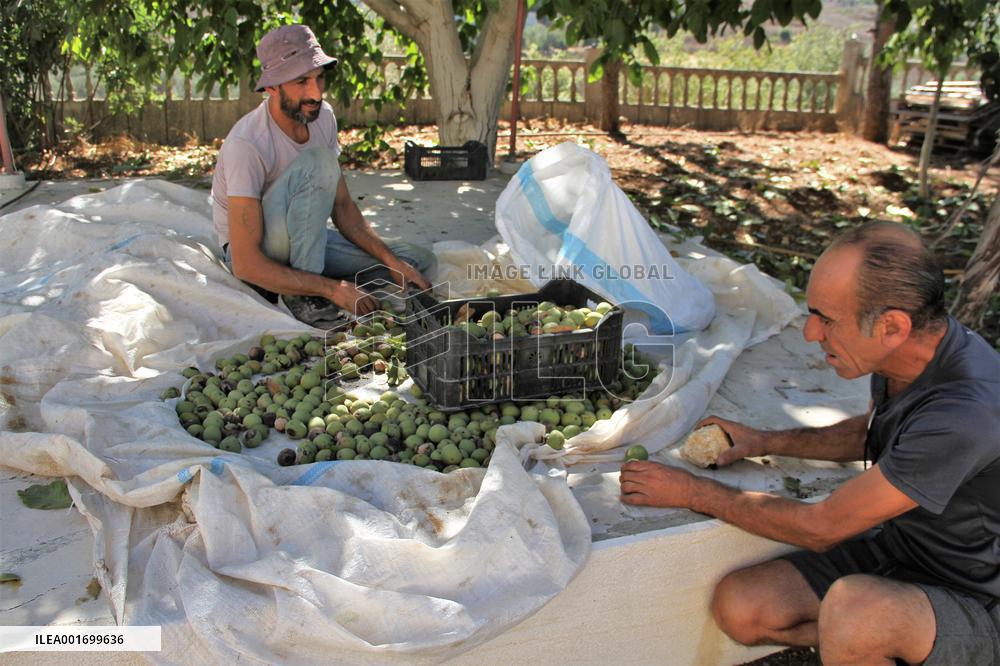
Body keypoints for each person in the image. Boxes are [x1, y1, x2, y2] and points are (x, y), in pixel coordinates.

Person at [620, 221, 1000, 664]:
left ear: (893, 326)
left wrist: (692, 493)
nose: (811, 334)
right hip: (904, 551)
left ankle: (888, 641)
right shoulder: (908, 352)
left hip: (979, 596)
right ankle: (879, 647)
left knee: (856, 612)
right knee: (742, 607)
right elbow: (874, 431)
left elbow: (822, 527)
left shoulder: (963, 414)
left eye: (827, 320)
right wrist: (762, 440)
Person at [211, 24, 435, 323]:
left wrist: (391, 261)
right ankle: (304, 293)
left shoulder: (323, 118)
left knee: (416, 261)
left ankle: (300, 281)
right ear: (272, 86)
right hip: (258, 253)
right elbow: (245, 263)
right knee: (320, 162)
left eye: (318, 78)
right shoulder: (246, 144)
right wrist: (332, 288)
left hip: (306, 237)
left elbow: (342, 207)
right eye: (301, 81)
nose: (315, 94)